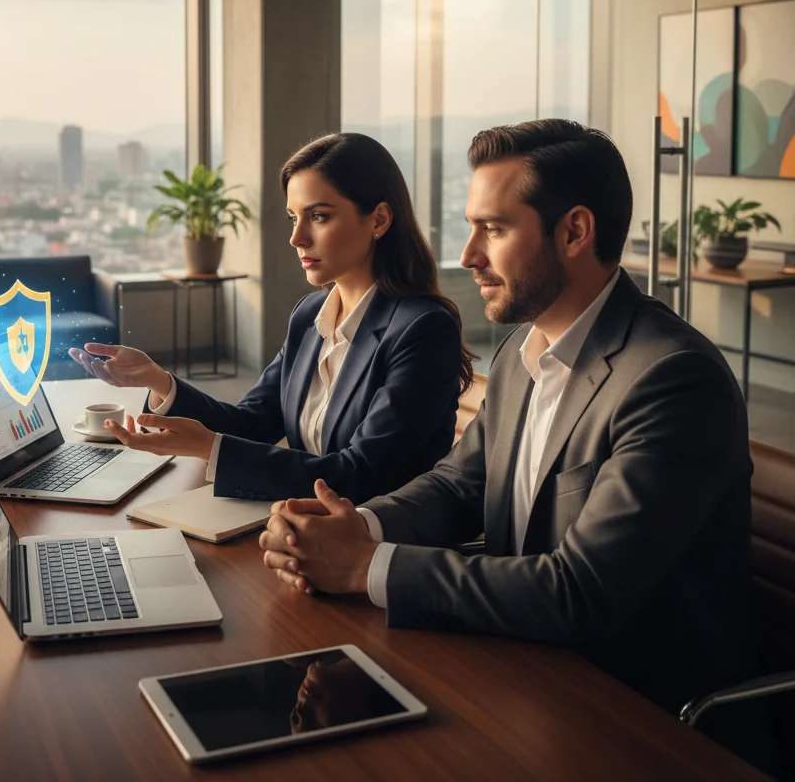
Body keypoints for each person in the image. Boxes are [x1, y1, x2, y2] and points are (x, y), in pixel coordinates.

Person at [259, 120, 777, 770]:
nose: (469, 254)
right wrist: (353, 526)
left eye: (494, 230)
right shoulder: (522, 352)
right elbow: (458, 486)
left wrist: (365, 566)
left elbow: (581, 593)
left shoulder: (671, 378)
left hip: (643, 715)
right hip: (523, 665)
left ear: (574, 232)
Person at [69, 132, 473, 504]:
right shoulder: (310, 315)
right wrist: (159, 380)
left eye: (318, 216)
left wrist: (210, 447)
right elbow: (252, 424)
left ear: (379, 220)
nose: (297, 238)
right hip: (297, 520)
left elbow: (361, 475)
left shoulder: (422, 330)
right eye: (294, 218)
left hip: (369, 546)